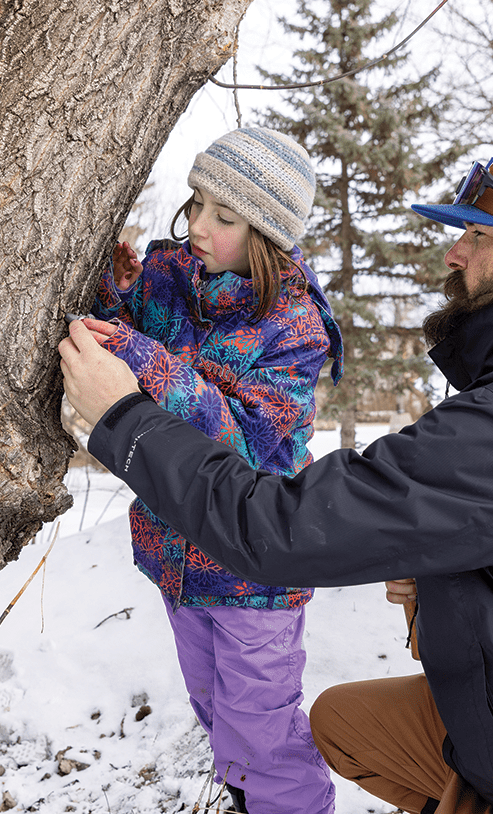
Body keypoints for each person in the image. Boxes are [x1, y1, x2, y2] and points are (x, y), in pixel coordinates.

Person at [60, 143, 493, 814]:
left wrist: (124, 416)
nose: (453, 254)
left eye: (477, 237)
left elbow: (279, 530)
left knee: (274, 726)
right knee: (343, 724)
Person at [71, 126, 343, 814]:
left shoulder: (294, 330)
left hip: (255, 573)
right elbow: (118, 333)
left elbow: (249, 444)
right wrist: (113, 292)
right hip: (178, 558)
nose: (196, 225)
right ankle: (246, 801)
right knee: (218, 717)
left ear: (268, 235)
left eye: (223, 217)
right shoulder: (170, 275)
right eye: (195, 204)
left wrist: (142, 359)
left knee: (265, 738)